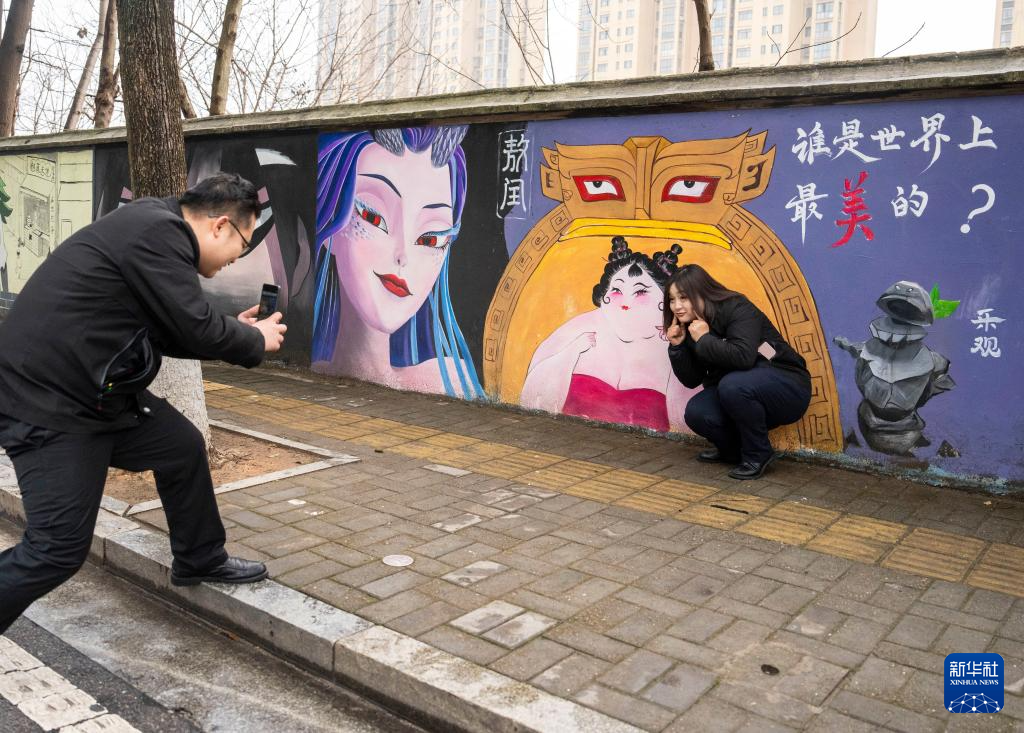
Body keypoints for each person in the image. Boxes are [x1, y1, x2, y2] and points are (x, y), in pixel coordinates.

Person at [0, 173, 287, 633]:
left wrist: (236, 330)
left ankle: (199, 558)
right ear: (219, 226)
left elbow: (173, 329)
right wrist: (253, 339)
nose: (239, 257)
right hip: (51, 404)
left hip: (97, 396)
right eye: (243, 243)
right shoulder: (158, 233)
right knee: (56, 550)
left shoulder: (153, 227)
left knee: (181, 446)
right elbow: (195, 327)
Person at [313, 125, 483, 399]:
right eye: (373, 218)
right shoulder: (309, 372)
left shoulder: (452, 381)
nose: (403, 255)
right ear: (332, 218)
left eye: (431, 239)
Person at [521, 237, 691, 432]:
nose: (625, 303)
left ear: (663, 302)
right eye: (617, 290)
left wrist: (677, 349)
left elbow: (686, 413)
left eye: (640, 292)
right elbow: (533, 395)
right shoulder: (580, 330)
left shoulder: (673, 342)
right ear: (604, 297)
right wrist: (572, 351)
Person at [664, 264, 810, 480]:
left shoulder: (737, 307)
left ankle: (758, 454)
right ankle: (732, 452)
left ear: (703, 293)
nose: (677, 306)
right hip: (737, 390)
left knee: (732, 385)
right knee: (697, 412)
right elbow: (692, 379)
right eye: (672, 300)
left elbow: (743, 357)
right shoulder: (690, 326)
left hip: (786, 384)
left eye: (684, 298)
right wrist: (677, 348)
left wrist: (704, 339)